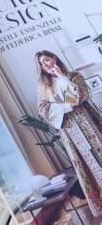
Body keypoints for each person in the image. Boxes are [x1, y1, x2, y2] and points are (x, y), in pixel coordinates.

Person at [36, 50, 102, 217]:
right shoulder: (44, 88)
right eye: (42, 64)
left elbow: (80, 96)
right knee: (86, 163)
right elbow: (43, 109)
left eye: (46, 60)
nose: (45, 65)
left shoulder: (74, 76)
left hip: (88, 121)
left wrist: (62, 78)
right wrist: (65, 107)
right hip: (69, 129)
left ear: (54, 58)